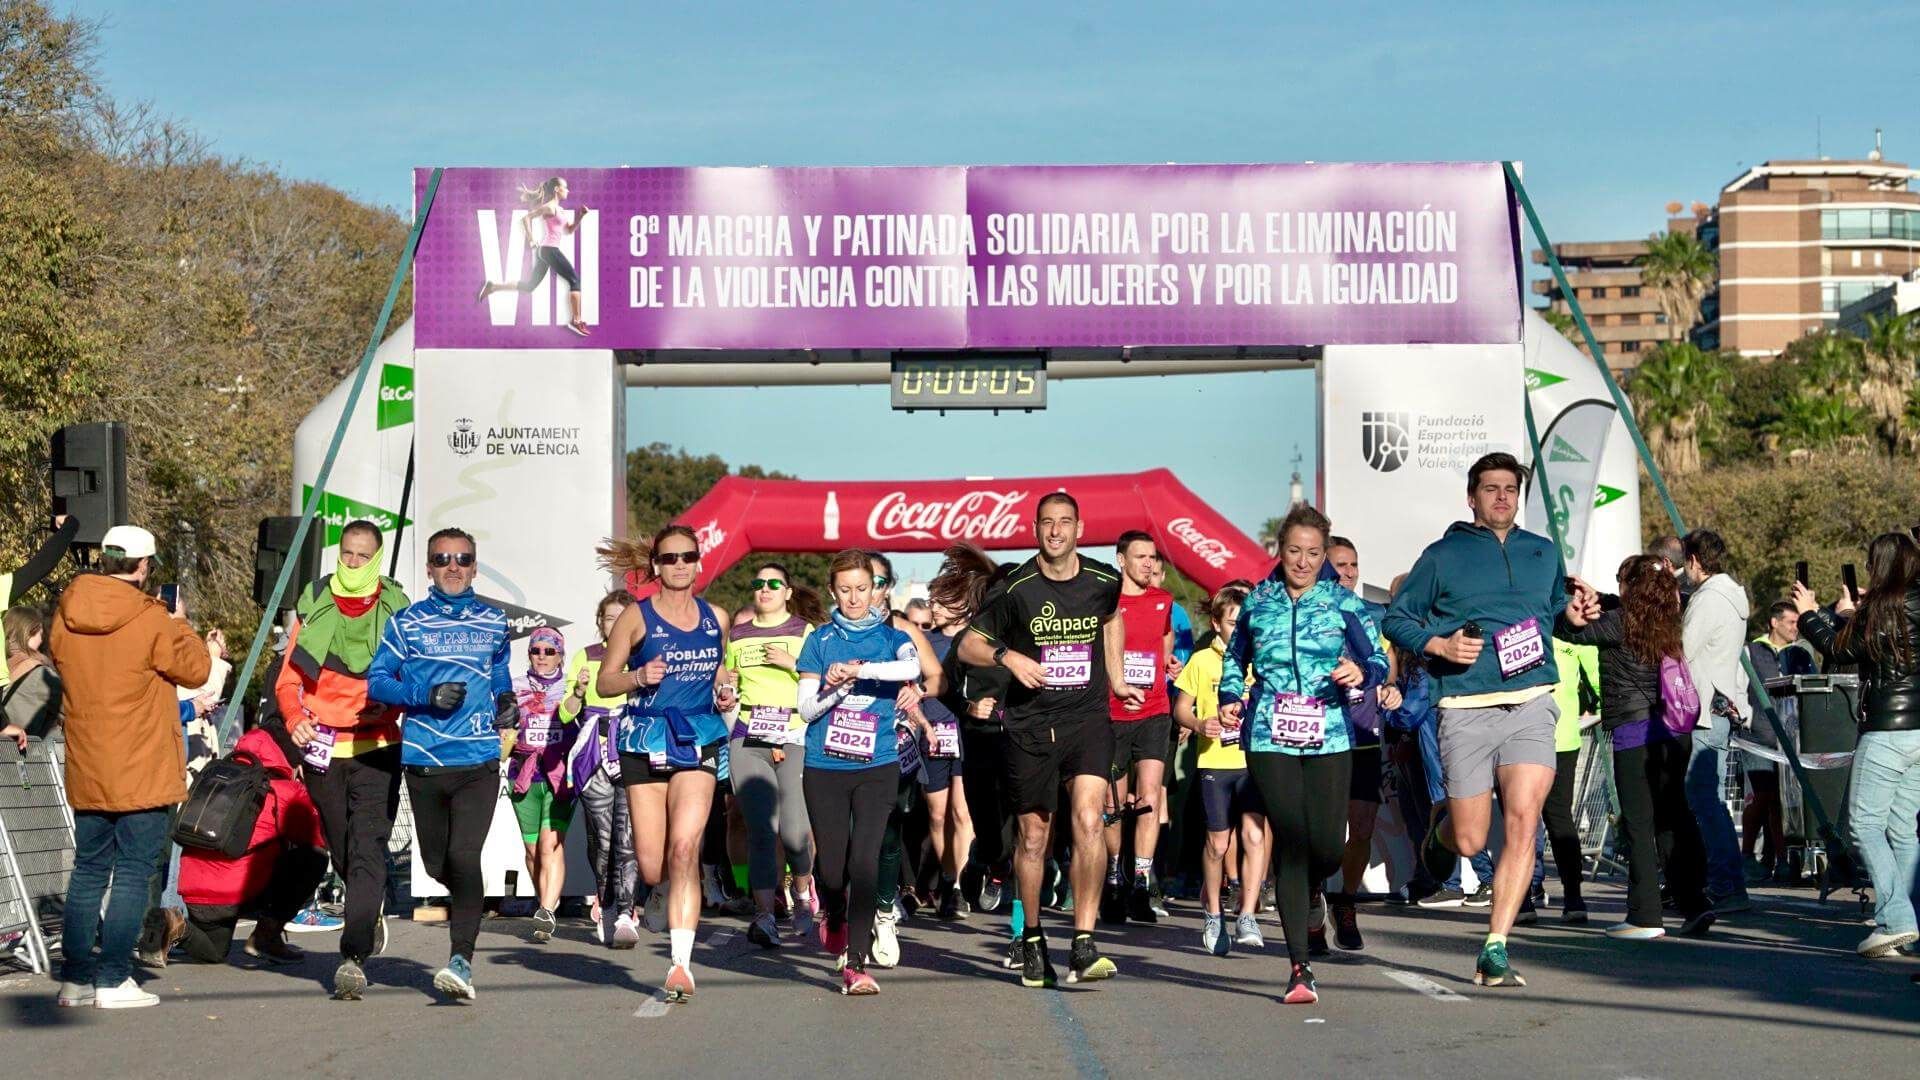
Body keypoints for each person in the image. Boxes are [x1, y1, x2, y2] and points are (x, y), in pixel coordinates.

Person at [1383, 452, 1587, 989]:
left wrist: (1575, 613)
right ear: (1471, 497)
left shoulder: (1542, 553)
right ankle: (1441, 832)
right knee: (1471, 840)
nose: (1502, 497)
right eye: (1491, 489)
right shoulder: (1443, 555)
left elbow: (1558, 616)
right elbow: (1396, 617)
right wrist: (1439, 644)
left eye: (1510, 489)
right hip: (1465, 708)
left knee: (1524, 819)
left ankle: (1495, 945)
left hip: (1532, 701)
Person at [1217, 506, 1387, 1004]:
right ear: (1280, 550)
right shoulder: (1259, 602)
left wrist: (1362, 673)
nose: (1303, 561)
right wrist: (1231, 697)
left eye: (1314, 553)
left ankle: (1314, 888)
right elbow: (1235, 658)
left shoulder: (1342, 603)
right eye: (1294, 551)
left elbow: (1377, 657)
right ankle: (1299, 967)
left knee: (1329, 845)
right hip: (1270, 733)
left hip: (1329, 735)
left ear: (1324, 555)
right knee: (1290, 836)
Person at [958, 492, 1126, 988]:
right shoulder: (1016, 587)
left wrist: (1115, 679)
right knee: (1034, 836)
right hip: (1031, 725)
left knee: (1090, 820)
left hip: (1088, 717)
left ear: (1080, 527)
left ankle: (1084, 942)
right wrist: (1008, 658)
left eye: (1065, 523)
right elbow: (969, 643)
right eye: (1047, 523)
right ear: (1035, 529)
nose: (1056, 531)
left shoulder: (1104, 580)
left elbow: (1111, 618)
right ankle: (1031, 937)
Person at [50, 525, 212, 1010]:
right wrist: (178, 620)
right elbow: (198, 669)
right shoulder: (152, 619)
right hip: (141, 764)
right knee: (133, 873)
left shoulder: (66, 612)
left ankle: (75, 979)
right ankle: (114, 977)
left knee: (89, 871)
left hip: (89, 761)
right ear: (143, 567)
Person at [368, 527, 515, 1002]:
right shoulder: (406, 623)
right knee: (436, 865)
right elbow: (377, 683)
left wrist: (507, 700)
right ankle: (468, 900)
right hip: (425, 761)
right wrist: (423, 695)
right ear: (429, 567)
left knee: (463, 855)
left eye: (463, 559)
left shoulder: (495, 621)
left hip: (477, 760)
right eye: (442, 558)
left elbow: (497, 673)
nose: (453, 566)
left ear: (475, 566)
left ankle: (461, 961)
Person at [596, 526, 736, 1004]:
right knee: (654, 866)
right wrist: (638, 674)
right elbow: (605, 682)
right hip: (645, 739)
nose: (679, 565)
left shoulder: (716, 617)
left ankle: (680, 963)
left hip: (697, 738)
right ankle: (657, 893)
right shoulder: (636, 617)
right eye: (669, 558)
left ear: (699, 563)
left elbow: (717, 670)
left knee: (684, 849)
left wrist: (724, 689)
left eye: (687, 557)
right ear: (655, 566)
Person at [273, 518, 409, 1000]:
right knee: (343, 848)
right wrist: (294, 719)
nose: (351, 563)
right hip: (323, 751)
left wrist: (388, 704)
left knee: (368, 846)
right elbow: (287, 681)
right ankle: (364, 912)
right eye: (346, 554)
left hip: (377, 748)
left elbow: (408, 677)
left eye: (361, 556)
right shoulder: (314, 605)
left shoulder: (396, 609)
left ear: (375, 559)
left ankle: (352, 954)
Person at [1557, 556, 1716, 940]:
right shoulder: (1670, 620)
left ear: (1630, 587)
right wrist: (1603, 597)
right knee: (1673, 817)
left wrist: (1569, 611)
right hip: (1675, 731)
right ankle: (1694, 903)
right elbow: (1624, 607)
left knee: (1638, 823)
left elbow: (1573, 633)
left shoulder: (1617, 624)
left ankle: (1644, 915)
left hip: (1634, 732)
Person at [796, 550, 924, 995]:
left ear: (875, 590)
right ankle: (830, 908)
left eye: (862, 589)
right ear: (834, 591)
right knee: (833, 871)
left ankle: (855, 962)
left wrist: (861, 669)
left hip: (878, 764)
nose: (854, 598)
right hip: (825, 767)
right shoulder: (819, 640)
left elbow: (913, 668)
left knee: (864, 861)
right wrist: (836, 688)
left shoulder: (892, 637)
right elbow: (806, 708)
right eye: (845, 590)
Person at [1793, 531, 1920, 957]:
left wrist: (1811, 613)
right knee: (1903, 830)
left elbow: (1836, 649)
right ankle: (1901, 918)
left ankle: (1897, 917)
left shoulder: (1880, 609)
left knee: (1863, 824)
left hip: (1885, 729)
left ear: (1878, 566)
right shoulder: (1900, 605)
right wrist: (1857, 614)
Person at [167, 719, 330, 967]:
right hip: (236, 893)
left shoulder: (214, 777)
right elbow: (317, 838)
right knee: (314, 857)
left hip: (194, 892)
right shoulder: (284, 789)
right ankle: (266, 935)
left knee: (213, 951)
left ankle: (173, 924)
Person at [724, 562, 823, 949]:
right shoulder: (739, 635)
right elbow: (729, 686)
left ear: (787, 592)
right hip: (749, 737)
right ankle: (765, 914)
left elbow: (824, 682)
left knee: (795, 832)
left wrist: (793, 665)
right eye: (758, 583)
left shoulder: (804, 632)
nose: (764, 589)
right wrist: (726, 694)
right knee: (761, 828)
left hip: (795, 736)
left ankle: (801, 890)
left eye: (773, 584)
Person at [928, 545, 1018, 951]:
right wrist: (969, 706)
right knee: (992, 835)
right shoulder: (968, 640)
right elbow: (945, 692)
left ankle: (1023, 934)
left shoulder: (1033, 640)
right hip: (979, 744)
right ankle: (987, 858)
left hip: (1027, 748)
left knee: (1029, 839)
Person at [1174, 585, 1270, 955]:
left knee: (1255, 836)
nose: (1240, 630)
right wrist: (1199, 724)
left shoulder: (1261, 660)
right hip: (1214, 762)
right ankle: (1214, 912)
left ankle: (1247, 913)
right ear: (1216, 624)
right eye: (1233, 623)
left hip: (1253, 761)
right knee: (1218, 842)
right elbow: (1181, 707)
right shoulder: (1202, 661)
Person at [1324, 535, 1401, 951]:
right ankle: (1313, 905)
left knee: (1362, 829)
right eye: (1339, 565)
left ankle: (1346, 902)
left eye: (1353, 565)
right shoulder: (1314, 612)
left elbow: (1387, 667)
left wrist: (1391, 689)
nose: (1348, 573)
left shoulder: (1371, 614)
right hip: (1324, 739)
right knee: (1324, 834)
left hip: (1366, 736)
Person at [869, 551, 944, 966]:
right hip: (845, 743)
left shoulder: (906, 631)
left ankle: (883, 905)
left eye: (880, 583)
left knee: (888, 827)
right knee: (849, 832)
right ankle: (852, 901)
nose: (871, 591)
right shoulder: (831, 632)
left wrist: (919, 693)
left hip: (896, 739)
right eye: (865, 582)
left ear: (889, 588)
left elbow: (938, 678)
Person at [1102, 531, 1177, 925]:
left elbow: (1164, 641)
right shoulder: (1106, 603)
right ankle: (1114, 877)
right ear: (1121, 560)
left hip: (1154, 711)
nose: (1149, 564)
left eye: (1152, 557)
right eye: (1140, 557)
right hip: (1112, 715)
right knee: (1112, 804)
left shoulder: (1163, 600)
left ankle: (1142, 883)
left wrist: (1168, 664)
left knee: (1149, 795)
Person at [561, 591, 641, 948]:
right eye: (611, 618)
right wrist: (578, 692)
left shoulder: (644, 657)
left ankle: (625, 912)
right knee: (602, 839)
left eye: (624, 616)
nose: (617, 623)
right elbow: (565, 713)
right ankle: (604, 900)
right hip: (594, 748)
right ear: (601, 623)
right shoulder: (586, 657)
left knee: (628, 838)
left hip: (631, 747)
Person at [1678, 529, 1753, 914]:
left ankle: (1725, 884)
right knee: (1711, 801)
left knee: (1703, 801)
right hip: (1720, 707)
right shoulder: (1733, 598)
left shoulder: (1708, 600)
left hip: (1703, 711)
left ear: (1694, 560)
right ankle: (1725, 882)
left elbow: (1683, 651)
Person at [509, 626, 574, 943]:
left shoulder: (569, 687)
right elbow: (503, 728)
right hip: (523, 774)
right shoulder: (515, 686)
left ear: (561, 654)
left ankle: (547, 910)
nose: (542, 657)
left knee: (551, 845)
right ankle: (544, 900)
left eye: (550, 651)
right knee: (533, 850)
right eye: (537, 650)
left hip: (559, 773)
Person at [1743, 601, 1816, 881]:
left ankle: (1779, 860)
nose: (1795, 627)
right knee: (1762, 797)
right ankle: (1747, 855)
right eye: (1791, 622)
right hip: (1758, 735)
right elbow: (1740, 687)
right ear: (1774, 623)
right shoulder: (1751, 650)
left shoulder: (1799, 653)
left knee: (1780, 801)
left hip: (1789, 737)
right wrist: (1747, 718)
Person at [916, 591, 976, 921]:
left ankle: (958, 890)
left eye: (942, 602)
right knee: (937, 815)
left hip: (966, 734)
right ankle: (948, 876)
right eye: (932, 601)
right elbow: (913, 690)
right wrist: (924, 724)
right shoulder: (925, 641)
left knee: (962, 811)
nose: (934, 608)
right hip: (933, 734)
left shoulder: (977, 639)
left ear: (961, 603)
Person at [476, 176, 591, 336]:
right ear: (557, 189)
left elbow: (569, 230)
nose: (568, 190)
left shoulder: (560, 210)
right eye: (565, 187)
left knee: (530, 286)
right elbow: (526, 218)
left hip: (547, 251)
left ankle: (493, 287)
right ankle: (576, 320)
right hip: (549, 250)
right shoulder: (549, 207)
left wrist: (580, 216)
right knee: (575, 280)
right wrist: (531, 240)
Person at [1539, 636, 1598, 923]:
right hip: (1517, 737)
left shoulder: (1576, 634)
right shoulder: (1521, 618)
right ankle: (1525, 895)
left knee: (1557, 817)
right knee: (1521, 818)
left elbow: (1599, 681)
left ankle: (1573, 895)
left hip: (1560, 740)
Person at [5, 606, 61, 741]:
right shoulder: (39, 675)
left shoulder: (4, 667)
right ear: (29, 632)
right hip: (29, 756)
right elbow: (74, 708)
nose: (42, 640)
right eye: (40, 634)